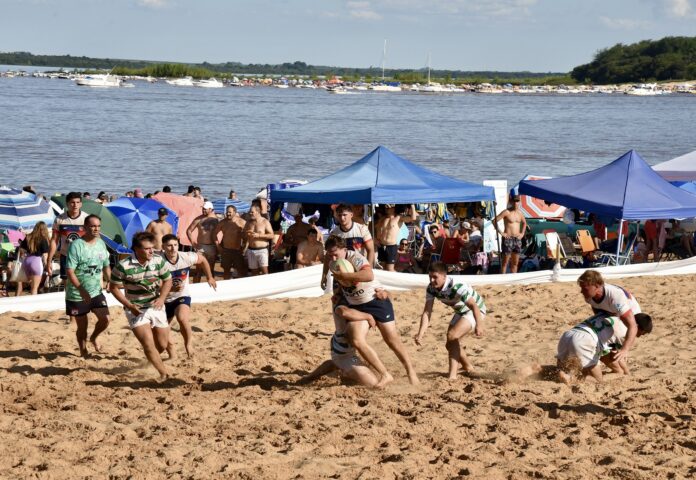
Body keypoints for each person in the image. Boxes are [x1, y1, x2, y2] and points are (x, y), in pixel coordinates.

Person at [326, 236, 419, 387]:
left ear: (344, 250)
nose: (333, 258)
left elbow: (369, 275)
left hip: (376, 301)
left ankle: (410, 371)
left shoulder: (355, 258)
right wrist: (338, 293)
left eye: (335, 254)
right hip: (357, 306)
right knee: (356, 340)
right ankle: (385, 374)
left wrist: (345, 276)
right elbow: (342, 283)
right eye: (330, 255)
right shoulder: (333, 263)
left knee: (392, 340)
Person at [520, 312, 653, 384]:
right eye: (642, 333)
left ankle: (536, 369)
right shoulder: (625, 332)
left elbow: (607, 354)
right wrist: (627, 374)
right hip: (585, 341)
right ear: (638, 327)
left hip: (568, 335)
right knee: (597, 380)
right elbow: (614, 357)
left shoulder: (613, 314)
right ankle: (570, 378)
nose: (639, 336)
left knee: (561, 371)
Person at [110, 231, 173, 380]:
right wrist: (129, 305)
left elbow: (168, 280)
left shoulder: (158, 260)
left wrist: (162, 298)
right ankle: (163, 374)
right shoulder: (123, 266)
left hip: (156, 306)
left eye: (152, 248)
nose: (151, 251)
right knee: (148, 344)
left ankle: (151, 359)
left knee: (162, 344)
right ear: (137, 249)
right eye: (147, 248)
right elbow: (113, 288)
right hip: (136, 309)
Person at [414, 262, 486, 379]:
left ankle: (452, 376)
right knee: (450, 344)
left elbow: (474, 306)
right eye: (430, 277)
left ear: (444, 276)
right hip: (460, 311)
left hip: (475, 310)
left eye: (435, 277)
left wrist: (479, 324)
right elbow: (427, 312)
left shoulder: (456, 286)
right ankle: (468, 367)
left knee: (452, 336)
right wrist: (420, 333)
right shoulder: (431, 288)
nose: (432, 280)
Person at [161, 234, 216, 358]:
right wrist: (170, 288)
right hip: (163, 299)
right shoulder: (158, 261)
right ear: (163, 247)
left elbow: (202, 260)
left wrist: (210, 277)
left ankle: (188, 345)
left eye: (175, 245)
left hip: (182, 295)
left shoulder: (185, 257)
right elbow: (153, 283)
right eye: (169, 246)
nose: (173, 248)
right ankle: (172, 354)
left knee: (182, 318)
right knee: (164, 329)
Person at [65, 215, 112, 357]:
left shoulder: (101, 243)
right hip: (77, 293)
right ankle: (83, 351)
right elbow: (69, 271)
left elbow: (106, 265)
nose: (96, 229)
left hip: (96, 291)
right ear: (84, 227)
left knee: (105, 319)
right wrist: (81, 290)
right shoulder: (76, 245)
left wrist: (109, 280)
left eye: (98, 226)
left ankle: (94, 337)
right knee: (82, 326)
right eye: (92, 226)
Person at [297, 310, 378, 388]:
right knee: (374, 384)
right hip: (343, 349)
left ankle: (341, 368)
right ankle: (344, 371)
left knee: (343, 362)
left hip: (346, 349)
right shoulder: (343, 304)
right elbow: (343, 311)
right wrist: (368, 316)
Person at [577, 270, 642, 364]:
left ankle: (623, 369)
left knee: (617, 351)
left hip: (633, 316)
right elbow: (597, 306)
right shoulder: (589, 296)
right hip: (613, 311)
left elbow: (633, 325)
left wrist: (625, 349)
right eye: (581, 288)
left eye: (585, 288)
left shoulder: (615, 296)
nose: (581, 291)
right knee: (606, 346)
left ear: (597, 286)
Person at [320, 204, 375, 290]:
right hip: (339, 269)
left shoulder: (362, 229)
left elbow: (371, 250)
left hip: (357, 268)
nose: (342, 218)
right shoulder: (334, 233)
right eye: (339, 215)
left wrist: (369, 269)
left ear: (351, 215)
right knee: (337, 296)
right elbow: (328, 255)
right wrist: (324, 275)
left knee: (359, 295)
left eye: (344, 215)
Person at [47, 191, 88, 288]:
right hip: (66, 256)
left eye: (78, 202)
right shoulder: (60, 219)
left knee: (84, 285)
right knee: (68, 287)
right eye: (72, 202)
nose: (75, 205)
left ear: (81, 204)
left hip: (83, 256)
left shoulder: (87, 218)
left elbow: (94, 238)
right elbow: (54, 241)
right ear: (67, 204)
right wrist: (49, 261)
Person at [375, 204, 416, 271]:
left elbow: (413, 218)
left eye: (390, 205)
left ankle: (400, 277)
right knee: (383, 268)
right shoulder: (382, 218)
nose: (387, 207)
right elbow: (373, 227)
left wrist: (412, 205)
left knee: (390, 269)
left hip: (391, 247)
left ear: (394, 207)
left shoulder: (399, 218)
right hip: (381, 246)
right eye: (386, 205)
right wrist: (375, 239)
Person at [186, 201, 219, 282]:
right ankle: (196, 286)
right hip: (200, 247)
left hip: (212, 247)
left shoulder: (216, 219)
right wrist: (193, 243)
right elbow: (189, 231)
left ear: (211, 209)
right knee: (198, 269)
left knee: (211, 269)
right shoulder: (198, 219)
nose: (203, 210)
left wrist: (218, 246)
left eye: (205, 209)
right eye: (203, 209)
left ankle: (211, 287)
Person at [494, 194, 527, 273]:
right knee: (505, 262)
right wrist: (501, 232)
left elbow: (524, 223)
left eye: (517, 201)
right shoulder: (506, 212)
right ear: (511, 202)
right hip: (508, 239)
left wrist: (522, 233)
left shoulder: (520, 213)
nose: (515, 203)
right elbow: (494, 221)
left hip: (517, 239)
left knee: (515, 263)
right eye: (514, 201)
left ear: (519, 202)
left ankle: (513, 279)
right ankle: (503, 278)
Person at [16, 221, 50, 296]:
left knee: (31, 285)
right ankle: (33, 302)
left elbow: (21, 250)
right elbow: (45, 255)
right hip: (36, 262)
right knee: (34, 288)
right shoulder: (43, 239)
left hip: (27, 261)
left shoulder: (28, 237)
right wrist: (47, 265)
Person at [214, 205, 248, 279]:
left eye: (230, 212)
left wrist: (245, 248)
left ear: (235, 212)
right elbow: (214, 234)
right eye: (227, 212)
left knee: (240, 271)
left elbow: (248, 236)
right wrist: (218, 246)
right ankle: (226, 284)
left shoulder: (242, 222)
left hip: (238, 250)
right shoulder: (222, 222)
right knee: (226, 271)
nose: (228, 214)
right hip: (226, 250)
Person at [242, 205, 274, 275]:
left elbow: (272, 235)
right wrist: (246, 234)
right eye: (250, 212)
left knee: (264, 272)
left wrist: (259, 235)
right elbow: (244, 235)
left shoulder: (265, 222)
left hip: (262, 250)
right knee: (254, 273)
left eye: (252, 212)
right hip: (251, 250)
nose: (250, 213)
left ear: (258, 212)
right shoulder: (248, 222)